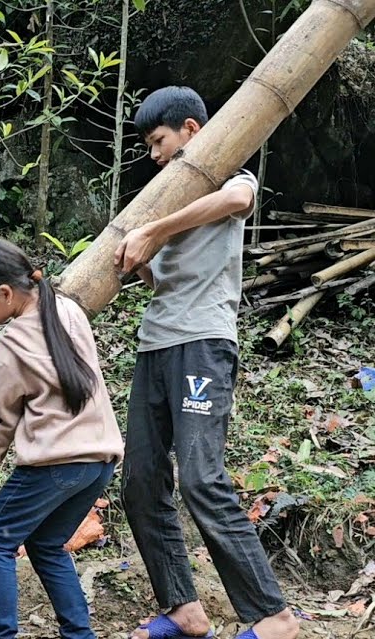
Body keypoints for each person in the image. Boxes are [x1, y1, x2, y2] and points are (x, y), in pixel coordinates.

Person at [114, 87, 297, 639]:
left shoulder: (229, 177)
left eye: (158, 141)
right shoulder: (166, 198)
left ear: (192, 131)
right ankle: (183, 610)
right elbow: (159, 273)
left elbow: (238, 202)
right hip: (155, 344)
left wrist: (152, 230)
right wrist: (140, 257)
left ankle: (274, 617)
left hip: (203, 342)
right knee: (140, 481)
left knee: (200, 477)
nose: (153, 154)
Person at [0, 239, 124, 639]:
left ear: (4, 293)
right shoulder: (68, 310)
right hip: (100, 462)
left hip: (57, 464)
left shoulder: (9, 347)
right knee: (46, 543)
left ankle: (0, 635)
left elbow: (1, 427)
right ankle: (79, 634)